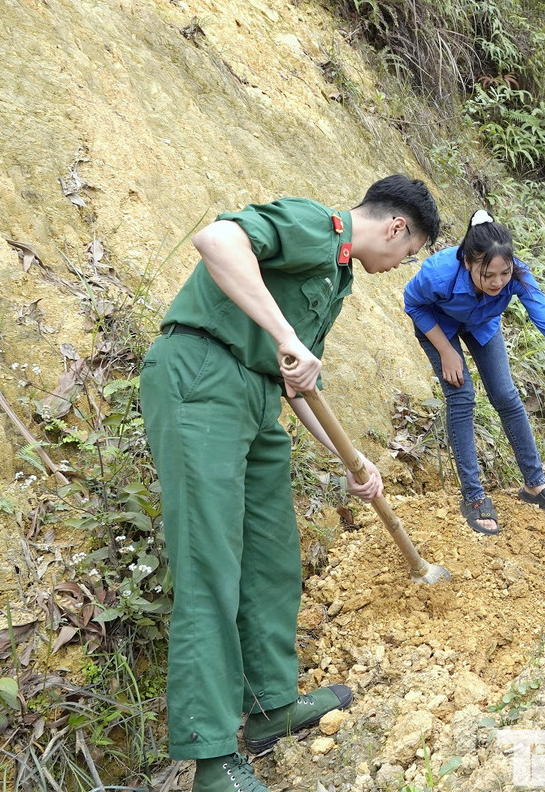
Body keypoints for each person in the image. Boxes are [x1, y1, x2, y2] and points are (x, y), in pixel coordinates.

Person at [140, 175, 441, 791]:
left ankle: (269, 706)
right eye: (407, 255)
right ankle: (213, 758)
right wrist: (283, 336)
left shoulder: (338, 276)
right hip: (203, 375)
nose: (399, 266)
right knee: (210, 565)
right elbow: (218, 239)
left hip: (256, 398)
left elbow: (300, 382)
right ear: (395, 228)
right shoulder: (314, 226)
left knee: (273, 558)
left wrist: (352, 459)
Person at [404, 210, 545, 535]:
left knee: (506, 395)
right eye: (488, 274)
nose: (497, 282)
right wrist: (446, 351)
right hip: (438, 326)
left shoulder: (516, 276)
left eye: (504, 273)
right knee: (461, 396)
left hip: (482, 326)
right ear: (467, 262)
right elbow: (413, 303)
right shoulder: (439, 273)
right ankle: (473, 496)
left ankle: (534, 485)